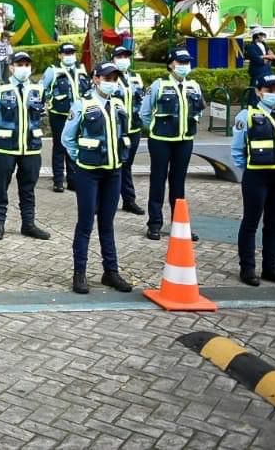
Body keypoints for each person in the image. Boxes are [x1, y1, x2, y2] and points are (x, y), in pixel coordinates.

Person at [61, 62, 135, 295]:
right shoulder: (82, 105)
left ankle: (110, 271)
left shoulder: (118, 104)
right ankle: (79, 273)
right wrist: (81, 157)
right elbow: (67, 138)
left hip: (114, 172)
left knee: (107, 222)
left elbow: (125, 134)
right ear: (95, 79)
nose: (110, 83)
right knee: (85, 223)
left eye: (114, 79)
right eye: (106, 78)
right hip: (88, 172)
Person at [230, 74, 275, 287]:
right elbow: (237, 151)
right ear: (259, 92)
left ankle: (271, 267)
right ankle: (248, 268)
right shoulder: (247, 115)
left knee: (274, 224)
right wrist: (252, 169)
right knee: (251, 223)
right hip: (256, 176)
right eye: (270, 90)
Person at [140, 48, 205, 242]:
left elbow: (199, 110)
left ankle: (179, 225)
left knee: (179, 183)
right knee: (158, 181)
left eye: (187, 62)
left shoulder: (194, 86)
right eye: (181, 62)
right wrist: (153, 129)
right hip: (161, 140)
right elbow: (144, 112)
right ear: (171, 64)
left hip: (184, 141)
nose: (185, 66)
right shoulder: (158, 85)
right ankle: (154, 224)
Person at [0, 52, 50, 242]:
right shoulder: (0, 89)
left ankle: (28, 224)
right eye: (19, 64)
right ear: (11, 67)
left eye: (27, 64)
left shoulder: (37, 90)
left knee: (28, 188)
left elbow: (39, 115)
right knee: (0, 187)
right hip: (5, 147)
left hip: (31, 148)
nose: (24, 68)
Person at [42, 43, 91, 192]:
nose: (69, 56)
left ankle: (72, 179)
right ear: (60, 55)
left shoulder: (80, 70)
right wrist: (48, 101)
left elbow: (87, 89)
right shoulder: (53, 70)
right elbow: (42, 89)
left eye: (71, 53)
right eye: (66, 53)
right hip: (59, 114)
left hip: (77, 115)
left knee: (74, 144)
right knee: (59, 146)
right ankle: (58, 180)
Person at [111, 46, 147, 215]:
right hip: (114, 130)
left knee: (127, 165)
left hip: (133, 128)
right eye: (120, 56)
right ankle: (104, 201)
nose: (124, 59)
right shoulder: (108, 78)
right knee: (111, 166)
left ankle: (129, 200)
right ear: (113, 59)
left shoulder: (136, 78)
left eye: (126, 56)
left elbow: (143, 100)